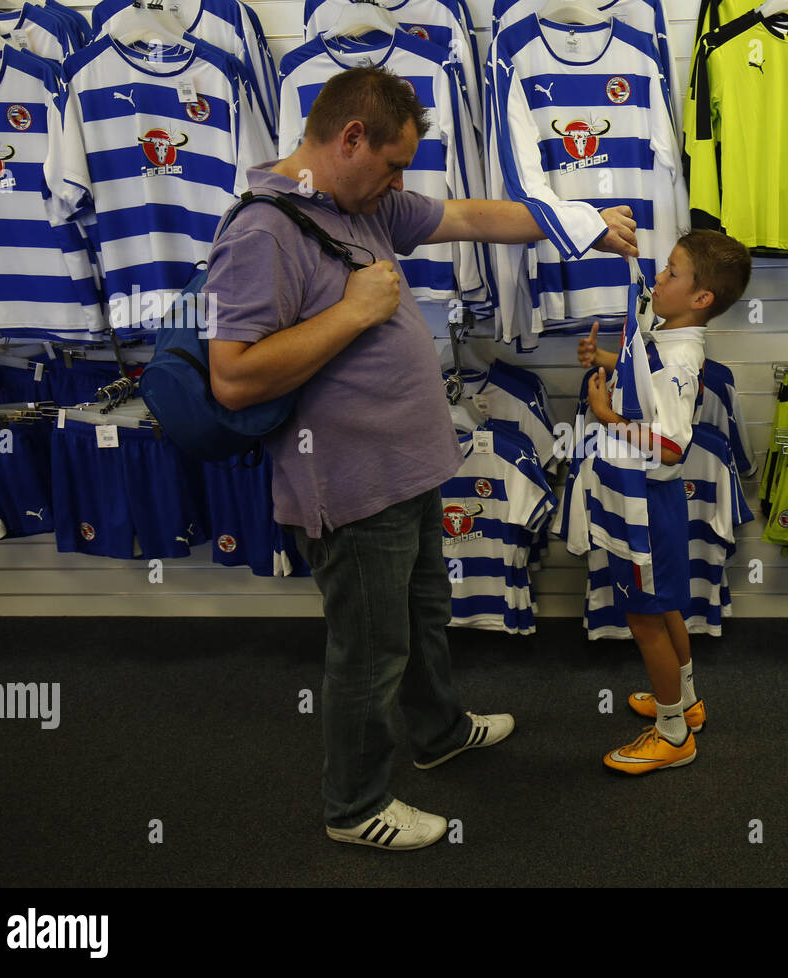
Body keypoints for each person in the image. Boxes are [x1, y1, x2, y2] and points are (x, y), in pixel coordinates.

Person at [204, 68, 637, 850]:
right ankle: (353, 806)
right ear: (349, 139)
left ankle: (435, 732)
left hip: (408, 469)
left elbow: (472, 215)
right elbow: (232, 377)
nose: (400, 185)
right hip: (349, 485)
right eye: (393, 165)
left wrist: (579, 223)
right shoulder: (263, 231)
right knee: (370, 654)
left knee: (423, 618)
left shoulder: (357, 202)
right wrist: (353, 312)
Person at [575, 229, 751, 773]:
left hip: (647, 503)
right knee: (665, 604)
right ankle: (686, 702)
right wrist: (605, 355)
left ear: (702, 300)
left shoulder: (680, 358)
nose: (659, 278)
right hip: (653, 502)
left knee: (646, 618)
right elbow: (644, 373)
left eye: (673, 274)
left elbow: (672, 446)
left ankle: (673, 735)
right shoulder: (668, 336)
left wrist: (606, 418)